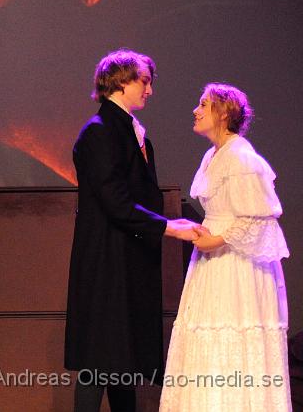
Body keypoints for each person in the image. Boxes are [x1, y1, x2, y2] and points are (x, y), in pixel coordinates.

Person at [65, 49, 202, 412]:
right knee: (99, 362)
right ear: (122, 81)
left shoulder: (131, 131)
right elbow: (116, 202)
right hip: (107, 264)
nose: (150, 91)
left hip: (127, 260)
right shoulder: (99, 132)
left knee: (121, 361)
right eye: (145, 81)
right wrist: (170, 227)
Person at [160, 83, 291, 411]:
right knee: (205, 337)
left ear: (223, 113)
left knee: (230, 334)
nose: (196, 109)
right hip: (211, 261)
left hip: (235, 263)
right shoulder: (213, 155)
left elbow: (258, 219)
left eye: (203, 104)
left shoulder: (241, 157)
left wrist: (216, 239)